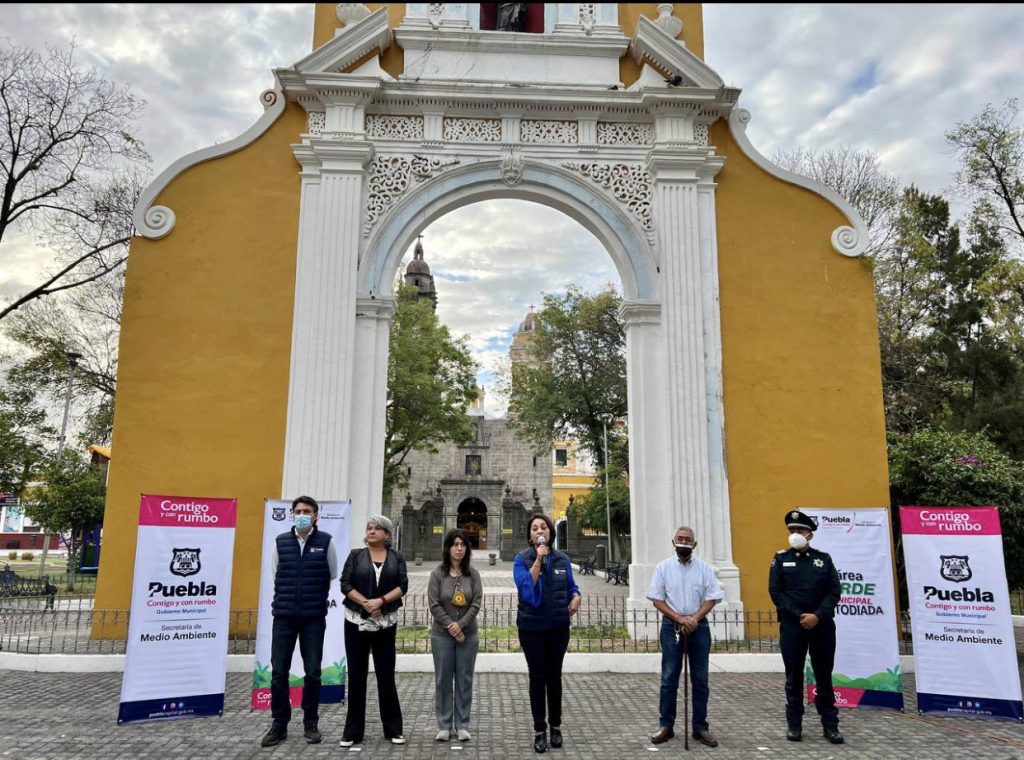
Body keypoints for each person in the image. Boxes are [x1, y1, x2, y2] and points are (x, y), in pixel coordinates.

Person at [261, 495, 339, 747]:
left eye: (307, 511)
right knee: (278, 673)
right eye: (298, 511)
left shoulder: (326, 542)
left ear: (316, 515)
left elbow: (333, 573)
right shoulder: (280, 542)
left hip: (313, 618)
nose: (302, 514)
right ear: (292, 515)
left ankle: (311, 722)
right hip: (283, 617)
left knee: (313, 673)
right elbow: (276, 574)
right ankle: (279, 723)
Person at [768, 509, 844, 745]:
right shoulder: (780, 559)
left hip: (821, 626)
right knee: (794, 677)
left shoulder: (824, 559)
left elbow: (834, 592)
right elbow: (776, 592)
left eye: (799, 530)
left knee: (824, 676)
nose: (794, 534)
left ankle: (830, 726)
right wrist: (800, 615)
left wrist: (817, 616)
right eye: (791, 530)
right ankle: (794, 724)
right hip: (793, 626)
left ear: (809, 534)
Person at [646, 525, 723, 748]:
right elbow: (657, 599)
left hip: (699, 627)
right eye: (680, 539)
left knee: (701, 679)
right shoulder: (663, 568)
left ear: (694, 544)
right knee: (669, 677)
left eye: (688, 540)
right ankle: (666, 725)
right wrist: (680, 618)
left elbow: (712, 597)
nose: (684, 542)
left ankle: (700, 727)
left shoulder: (705, 569)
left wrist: (694, 619)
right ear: (673, 542)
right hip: (672, 627)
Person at [513, 512, 582, 754]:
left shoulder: (562, 559)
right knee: (537, 677)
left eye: (543, 527)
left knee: (555, 677)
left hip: (558, 628)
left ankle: (556, 726)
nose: (539, 531)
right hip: (532, 629)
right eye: (534, 528)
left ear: (551, 533)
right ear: (530, 536)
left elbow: (572, 586)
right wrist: (538, 562)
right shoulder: (521, 559)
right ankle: (539, 730)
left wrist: (576, 597)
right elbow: (527, 590)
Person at [338, 515, 409, 747]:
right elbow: (345, 584)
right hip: (356, 622)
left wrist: (380, 602)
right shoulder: (355, 555)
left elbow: (402, 586)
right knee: (357, 676)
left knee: (385, 676)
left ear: (387, 535)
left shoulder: (397, 557)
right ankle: (352, 731)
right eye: (369, 528)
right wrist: (367, 603)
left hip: (385, 623)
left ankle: (393, 729)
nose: (372, 531)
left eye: (377, 528)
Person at [427, 529, 483, 742]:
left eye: (463, 545)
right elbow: (434, 604)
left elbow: (476, 602)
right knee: (443, 680)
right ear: (448, 547)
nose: (459, 548)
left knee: (464, 680)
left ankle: (462, 725)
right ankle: (444, 724)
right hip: (442, 635)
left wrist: (461, 626)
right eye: (455, 544)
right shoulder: (437, 574)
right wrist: (451, 626)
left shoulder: (473, 574)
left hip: (468, 636)